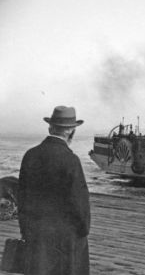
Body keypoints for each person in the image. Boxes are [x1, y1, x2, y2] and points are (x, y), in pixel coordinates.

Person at [18, 106, 90, 275]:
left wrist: (26, 229)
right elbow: (79, 201)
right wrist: (84, 229)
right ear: (71, 132)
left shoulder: (30, 155)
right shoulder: (71, 160)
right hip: (66, 238)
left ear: (50, 128)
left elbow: (21, 196)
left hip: (37, 233)